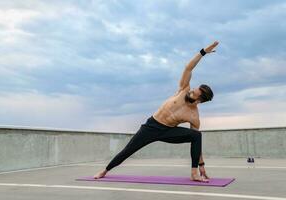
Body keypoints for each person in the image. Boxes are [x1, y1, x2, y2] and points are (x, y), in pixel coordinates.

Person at [94, 41, 219, 182]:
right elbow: (188, 68)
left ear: (199, 100)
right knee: (128, 150)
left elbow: (197, 144)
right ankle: (105, 171)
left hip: (168, 132)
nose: (191, 91)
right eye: (193, 89)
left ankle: (194, 173)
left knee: (196, 136)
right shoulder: (184, 89)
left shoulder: (194, 116)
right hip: (151, 126)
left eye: (194, 93)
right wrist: (202, 52)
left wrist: (201, 164)